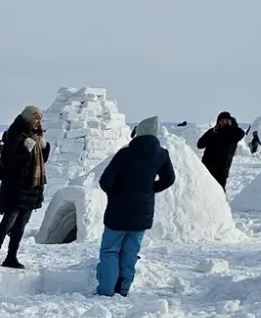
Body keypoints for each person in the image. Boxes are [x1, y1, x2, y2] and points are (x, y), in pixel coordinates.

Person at [93, 117, 176, 295]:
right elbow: (169, 179)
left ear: (139, 131)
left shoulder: (125, 154)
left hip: (118, 211)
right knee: (130, 252)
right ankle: (123, 289)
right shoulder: (162, 154)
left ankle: (106, 289)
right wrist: (150, 189)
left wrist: (115, 193)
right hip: (143, 212)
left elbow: (105, 181)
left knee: (110, 251)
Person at [0, 105, 49, 268]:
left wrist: (43, 145)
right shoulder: (15, 134)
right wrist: (27, 148)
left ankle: (11, 257)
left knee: (21, 225)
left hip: (32, 187)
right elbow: (8, 161)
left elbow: (43, 160)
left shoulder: (36, 135)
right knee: (7, 223)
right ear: (29, 118)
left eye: (40, 119)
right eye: (36, 118)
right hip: (16, 187)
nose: (38, 121)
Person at [196, 111, 245, 188]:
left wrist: (231, 125)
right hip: (207, 165)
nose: (223, 123)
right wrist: (212, 133)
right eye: (221, 121)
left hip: (222, 168)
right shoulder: (213, 132)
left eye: (225, 121)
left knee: (219, 190)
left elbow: (241, 133)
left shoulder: (233, 133)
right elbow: (200, 145)